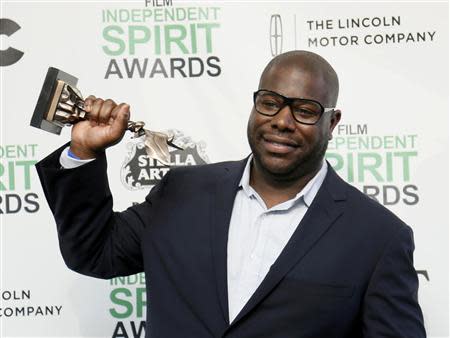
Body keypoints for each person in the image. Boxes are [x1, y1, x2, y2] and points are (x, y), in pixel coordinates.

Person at [36, 50, 426, 337]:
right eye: (270, 104)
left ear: (332, 121)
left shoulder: (378, 238)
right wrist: (85, 151)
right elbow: (94, 253)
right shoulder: (181, 192)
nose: (282, 122)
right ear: (255, 106)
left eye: (305, 110)